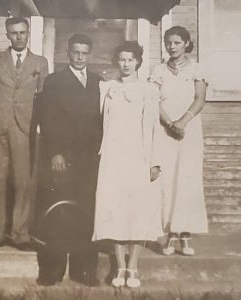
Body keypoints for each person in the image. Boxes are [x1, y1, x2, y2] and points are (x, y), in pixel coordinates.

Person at [92, 41, 163, 288]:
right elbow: (101, 123)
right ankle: (119, 266)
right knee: (115, 210)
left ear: (138, 61)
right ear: (116, 61)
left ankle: (133, 266)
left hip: (138, 157)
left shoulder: (148, 90)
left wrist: (154, 162)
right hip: (113, 157)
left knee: (137, 211)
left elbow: (154, 127)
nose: (126, 64)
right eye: (121, 59)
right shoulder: (108, 88)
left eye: (130, 59)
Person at [35, 34, 102, 286]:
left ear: (90, 54)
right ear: (68, 53)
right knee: (60, 213)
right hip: (63, 158)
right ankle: (52, 270)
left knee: (86, 213)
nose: (80, 57)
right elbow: (47, 118)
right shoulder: (54, 81)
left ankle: (83, 270)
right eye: (75, 52)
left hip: (90, 159)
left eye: (84, 52)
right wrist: (55, 152)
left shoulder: (98, 82)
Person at [0, 17, 48, 251]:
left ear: (28, 34)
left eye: (23, 32)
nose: (19, 37)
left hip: (25, 128)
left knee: (23, 182)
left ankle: (20, 234)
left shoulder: (40, 62)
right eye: (14, 33)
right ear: (7, 35)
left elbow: (43, 95)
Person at [149, 26, 208, 256]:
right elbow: (154, 100)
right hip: (165, 130)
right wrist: (169, 124)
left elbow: (200, 98)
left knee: (187, 179)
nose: (172, 47)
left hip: (189, 130)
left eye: (177, 42)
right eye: (169, 43)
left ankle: (185, 234)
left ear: (186, 43)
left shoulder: (196, 69)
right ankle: (170, 234)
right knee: (168, 179)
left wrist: (182, 123)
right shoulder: (159, 70)